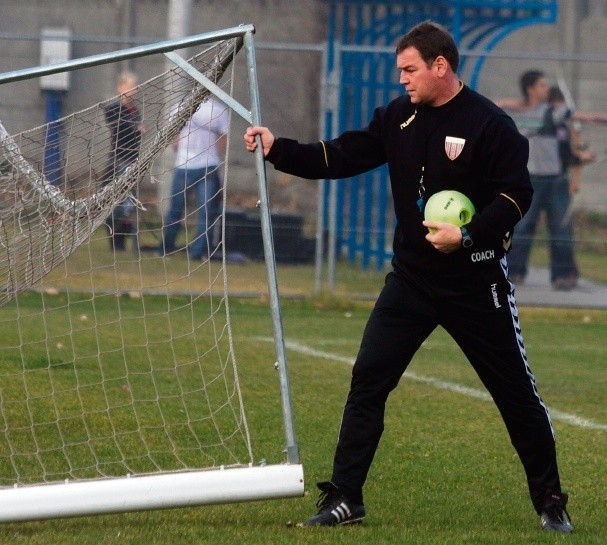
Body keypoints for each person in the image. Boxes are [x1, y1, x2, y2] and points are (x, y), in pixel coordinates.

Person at [244, 21, 572, 533]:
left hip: (475, 283)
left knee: (515, 394)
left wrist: (466, 238)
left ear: (441, 66)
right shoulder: (398, 117)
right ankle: (346, 498)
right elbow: (342, 154)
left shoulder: (491, 124)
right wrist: (278, 149)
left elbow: (515, 197)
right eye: (400, 70)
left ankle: (551, 500)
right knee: (368, 379)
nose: (402, 79)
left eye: (409, 69)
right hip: (412, 282)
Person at [496, 71, 579, 291]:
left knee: (561, 230)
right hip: (528, 180)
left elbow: (579, 116)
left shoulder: (553, 111)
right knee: (521, 227)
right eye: (542, 85)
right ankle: (514, 271)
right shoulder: (512, 112)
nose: (547, 89)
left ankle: (563, 275)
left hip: (555, 180)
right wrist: (517, 104)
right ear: (530, 88)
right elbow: (487, 107)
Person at [158, 97, 228, 261]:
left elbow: (174, 136)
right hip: (205, 165)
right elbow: (223, 139)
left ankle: (166, 249)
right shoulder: (219, 108)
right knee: (204, 213)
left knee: (177, 210)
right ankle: (198, 253)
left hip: (188, 165)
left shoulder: (180, 106)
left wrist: (181, 150)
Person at [104, 71, 143, 252]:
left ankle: (125, 241)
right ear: (121, 87)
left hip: (132, 159)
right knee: (117, 203)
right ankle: (115, 242)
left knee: (129, 203)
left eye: (135, 86)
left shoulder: (135, 111)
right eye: (131, 86)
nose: (135, 90)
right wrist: (135, 128)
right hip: (119, 160)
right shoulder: (114, 108)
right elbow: (117, 125)